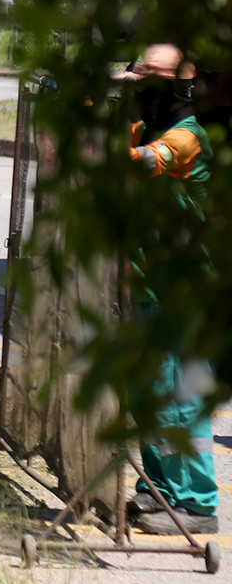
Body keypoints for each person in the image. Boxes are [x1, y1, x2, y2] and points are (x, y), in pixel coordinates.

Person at [117, 43, 217, 535]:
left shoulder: (186, 137)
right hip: (146, 287)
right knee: (147, 395)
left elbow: (132, 163)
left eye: (142, 84)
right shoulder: (150, 126)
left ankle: (197, 504)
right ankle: (158, 492)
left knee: (183, 398)